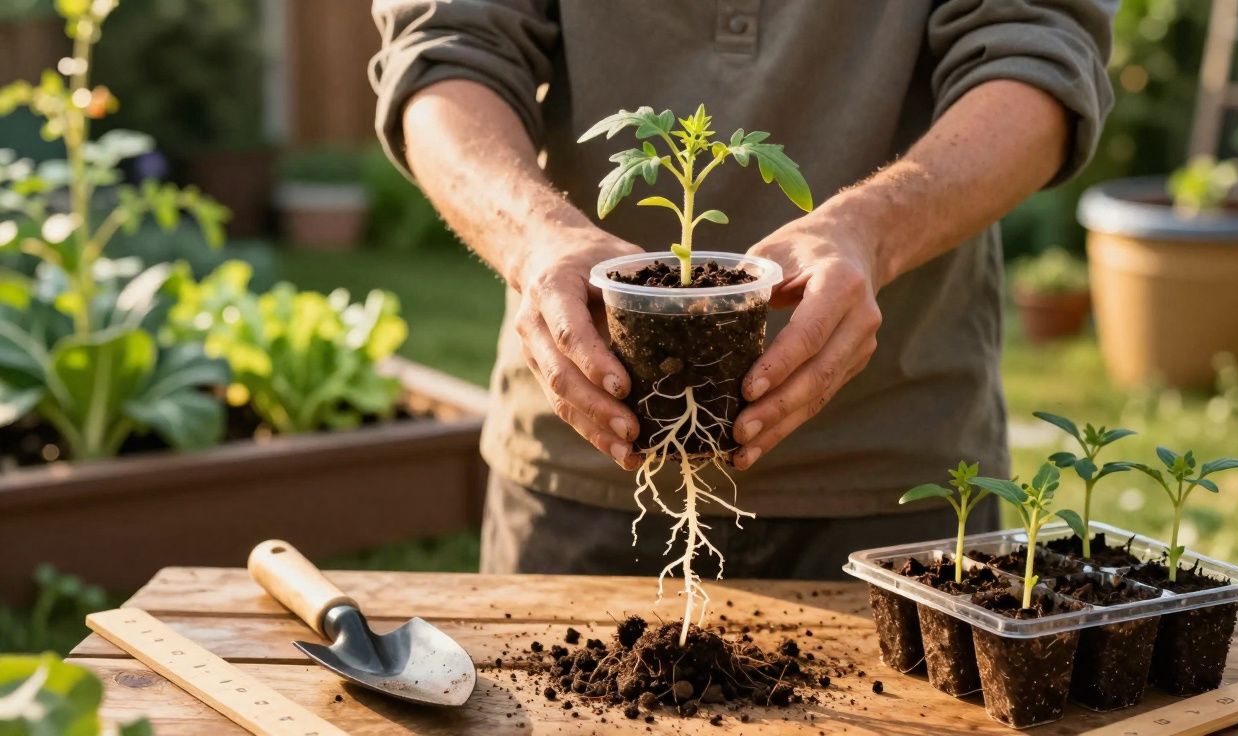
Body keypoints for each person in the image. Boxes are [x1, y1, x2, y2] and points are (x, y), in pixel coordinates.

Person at [370, 0, 1114, 579]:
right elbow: (443, 50)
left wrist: (871, 230)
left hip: (899, 476)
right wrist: (536, 240)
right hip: (589, 460)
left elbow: (1041, 51)